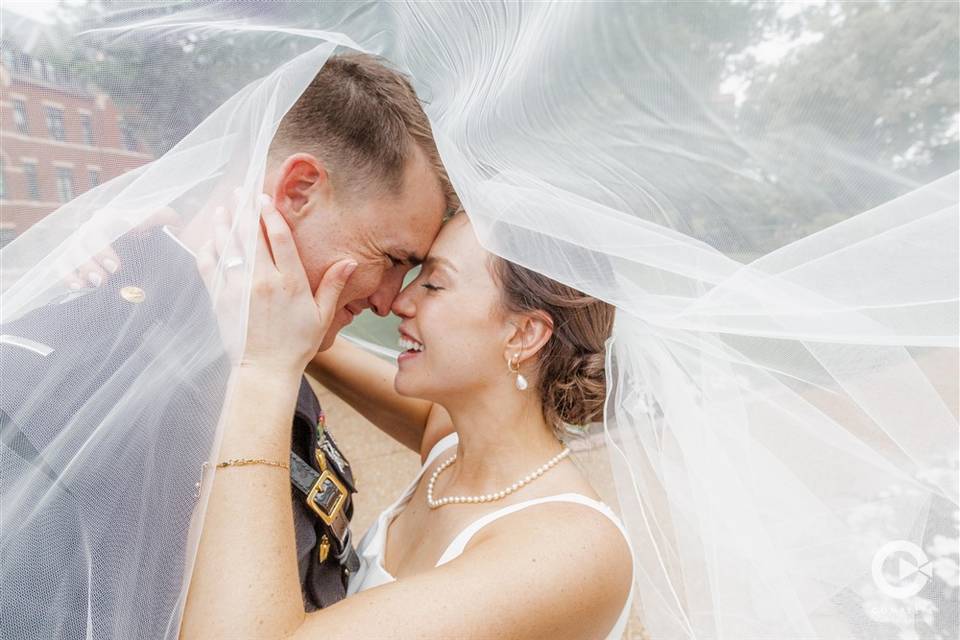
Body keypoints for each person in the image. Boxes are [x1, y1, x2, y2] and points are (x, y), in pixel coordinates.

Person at [0, 52, 455, 639]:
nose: (392, 300)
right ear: (297, 190)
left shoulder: (260, 332)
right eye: (393, 259)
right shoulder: (82, 365)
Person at [179, 211, 634, 639]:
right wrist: (180, 246)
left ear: (523, 334)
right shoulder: (453, 445)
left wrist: (264, 370)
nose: (401, 301)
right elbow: (299, 335)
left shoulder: (571, 551)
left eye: (433, 284)